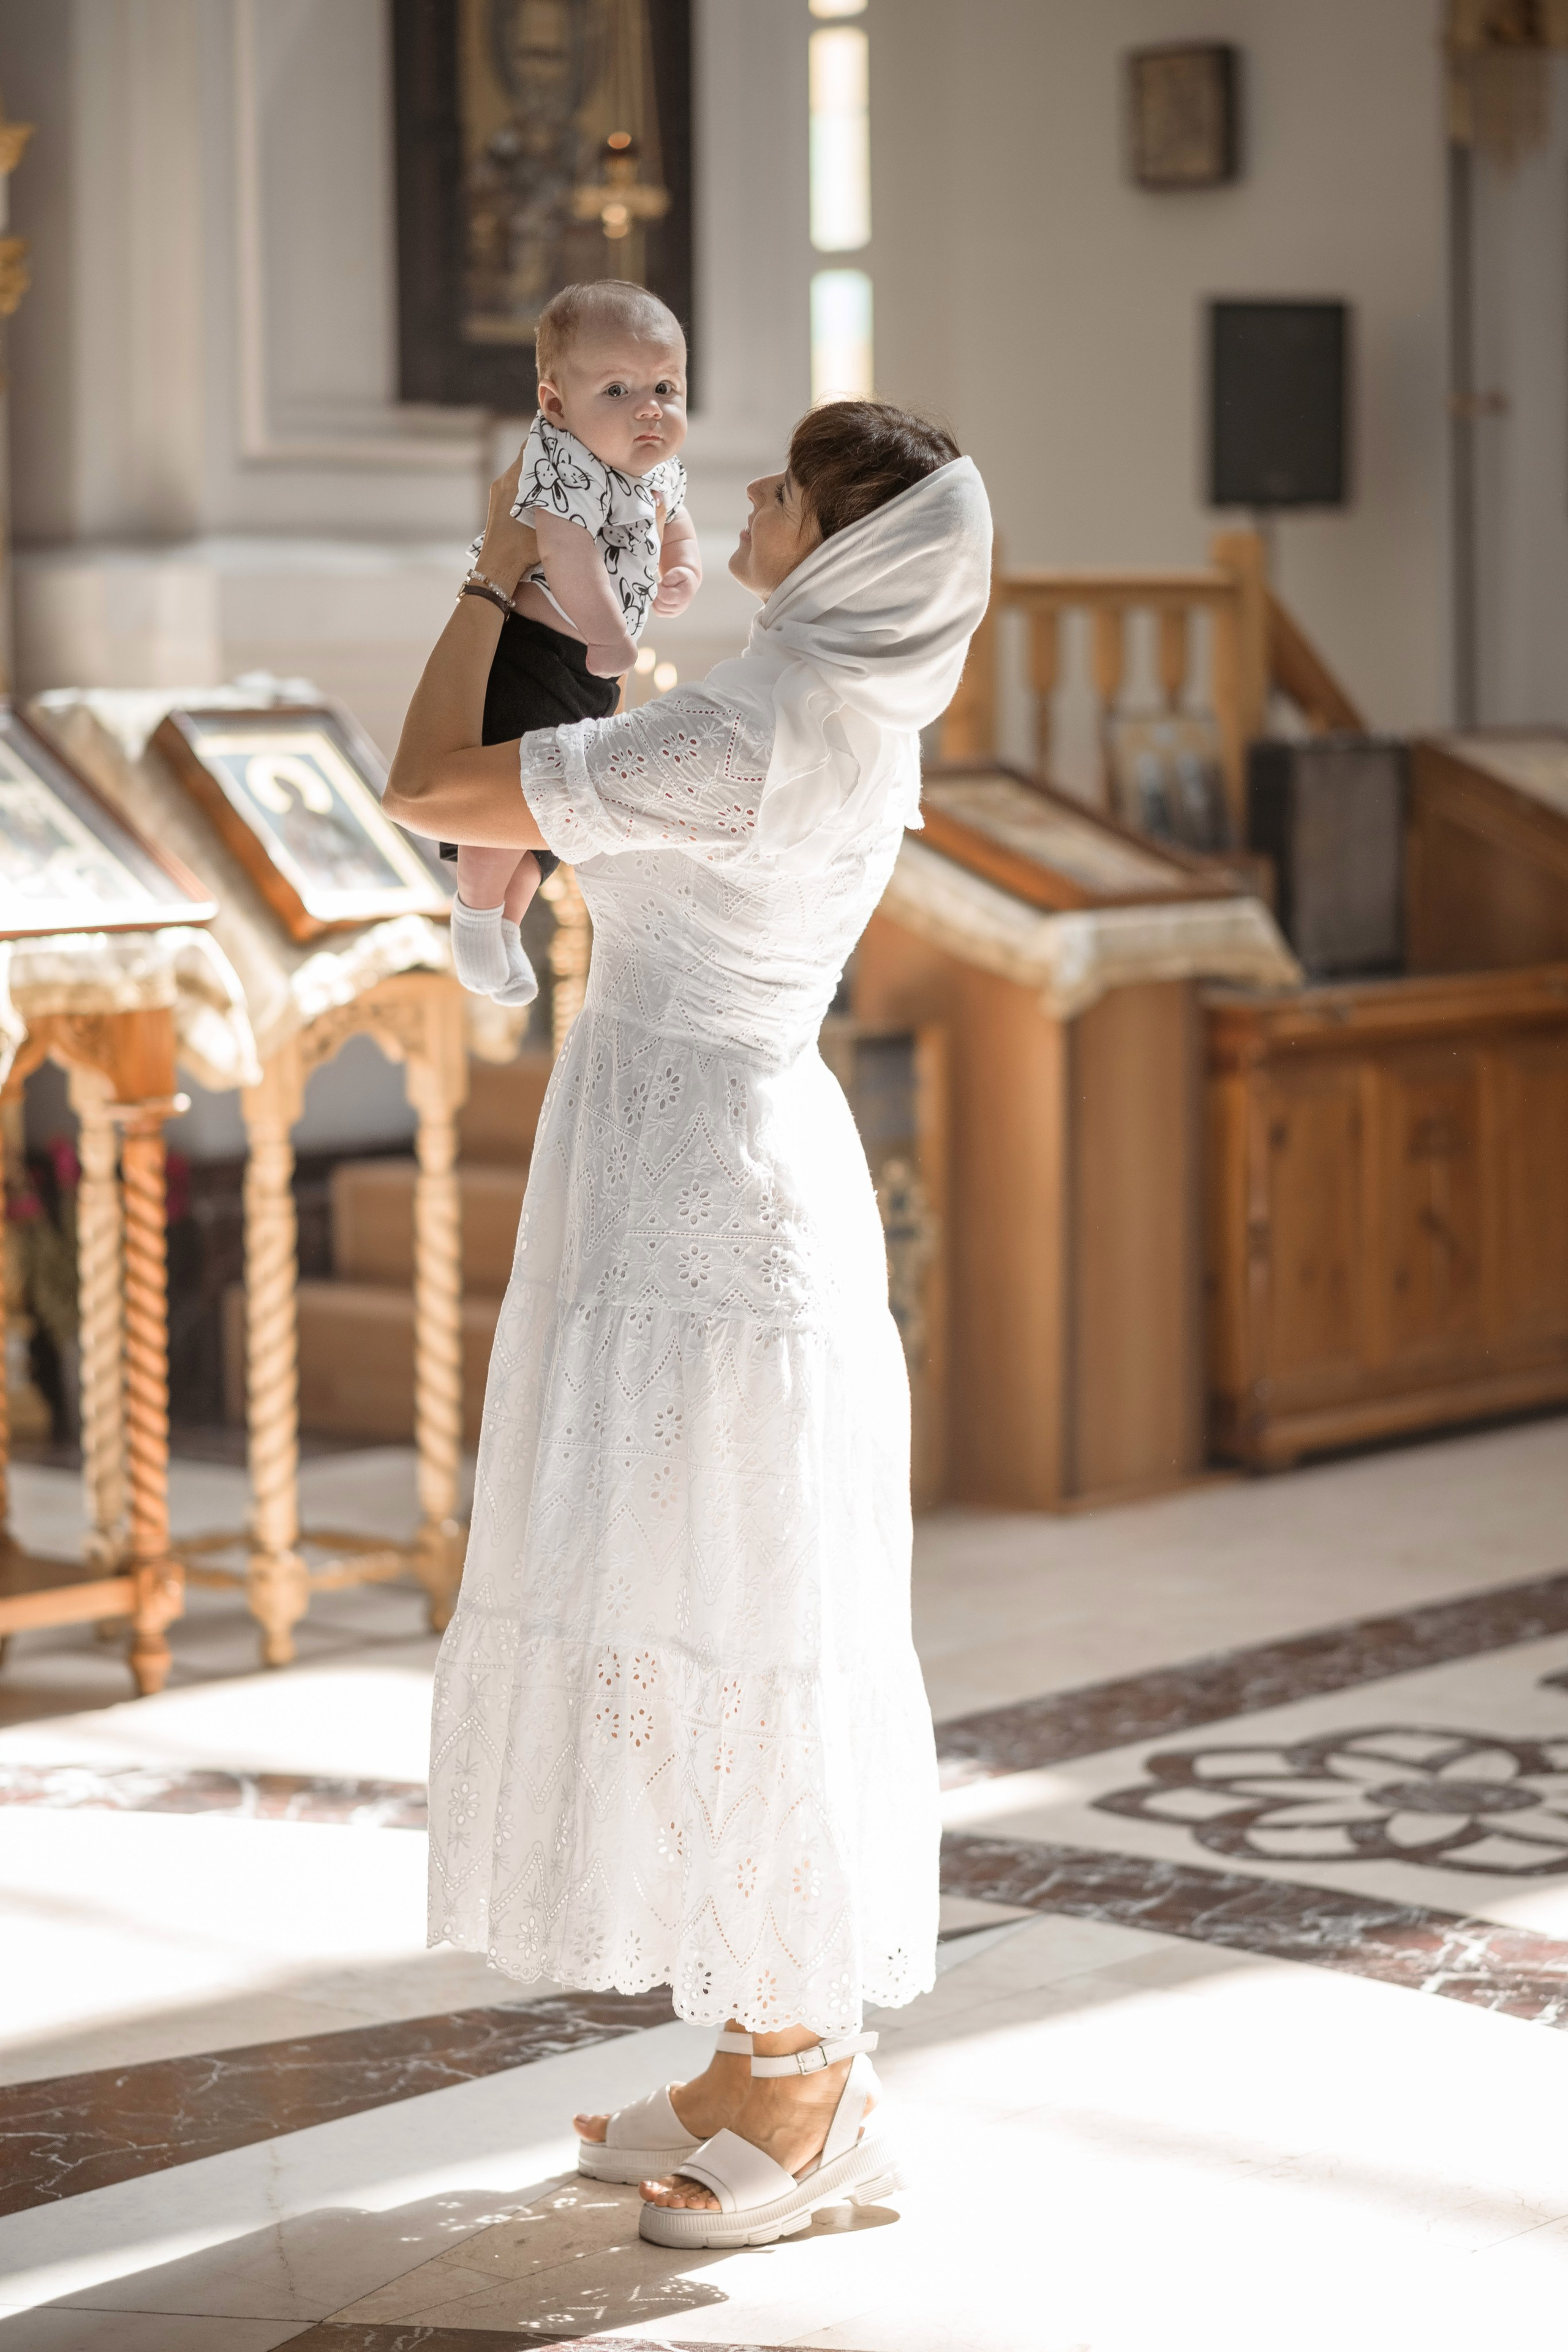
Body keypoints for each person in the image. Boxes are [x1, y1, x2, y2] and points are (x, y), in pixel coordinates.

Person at [384, 398, 992, 2250]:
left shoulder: (756, 727)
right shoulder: (821, 702)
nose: (746, 493)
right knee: (683, 1603)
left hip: (709, 1214)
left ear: (845, 548)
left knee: (736, 1618)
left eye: (781, 489)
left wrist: (495, 565)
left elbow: (427, 782)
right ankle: (751, 2044)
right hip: (691, 1170)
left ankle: (814, 2086)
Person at [444, 279, 700, 1009]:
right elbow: (568, 556)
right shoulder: (561, 462)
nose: (649, 409)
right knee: (505, 800)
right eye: (617, 390)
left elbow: (678, 529)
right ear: (555, 405)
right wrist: (609, 635)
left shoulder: (656, 466)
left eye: (665, 388)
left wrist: (683, 571)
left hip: (585, 668)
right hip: (535, 652)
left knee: (546, 818)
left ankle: (506, 926)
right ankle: (473, 916)